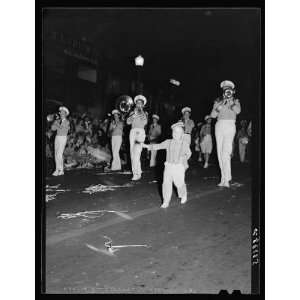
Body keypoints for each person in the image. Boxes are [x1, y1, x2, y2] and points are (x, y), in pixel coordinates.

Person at [142, 121, 191, 208]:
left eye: (178, 132)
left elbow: (189, 153)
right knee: (166, 183)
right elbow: (158, 146)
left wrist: (184, 158)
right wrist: (147, 146)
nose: (176, 134)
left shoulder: (184, 143)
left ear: (182, 134)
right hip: (168, 166)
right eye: (174, 131)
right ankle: (166, 201)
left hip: (178, 167)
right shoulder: (168, 142)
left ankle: (183, 195)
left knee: (179, 183)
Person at [210, 80, 241, 187]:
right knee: (219, 152)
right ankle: (223, 178)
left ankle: (227, 178)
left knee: (226, 152)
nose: (227, 91)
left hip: (230, 125)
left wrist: (231, 103)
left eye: (229, 90)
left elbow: (238, 111)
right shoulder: (218, 101)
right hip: (219, 125)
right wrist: (220, 106)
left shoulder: (235, 101)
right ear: (223, 91)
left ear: (232, 91)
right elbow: (213, 115)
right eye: (225, 90)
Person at [126, 95, 148, 180]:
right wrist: (133, 116)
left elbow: (145, 122)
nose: (139, 105)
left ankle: (136, 173)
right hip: (132, 132)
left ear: (143, 105)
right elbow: (128, 122)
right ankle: (138, 171)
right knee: (132, 153)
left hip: (140, 132)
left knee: (137, 152)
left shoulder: (144, 113)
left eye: (140, 103)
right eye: (137, 103)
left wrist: (140, 113)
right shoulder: (132, 112)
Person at [51, 106, 70, 176]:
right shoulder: (57, 121)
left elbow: (61, 128)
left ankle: (60, 169)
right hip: (57, 137)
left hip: (63, 138)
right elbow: (53, 129)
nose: (61, 113)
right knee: (56, 154)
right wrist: (54, 122)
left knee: (59, 154)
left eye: (62, 112)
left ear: (65, 114)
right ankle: (58, 170)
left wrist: (56, 123)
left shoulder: (67, 121)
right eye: (60, 112)